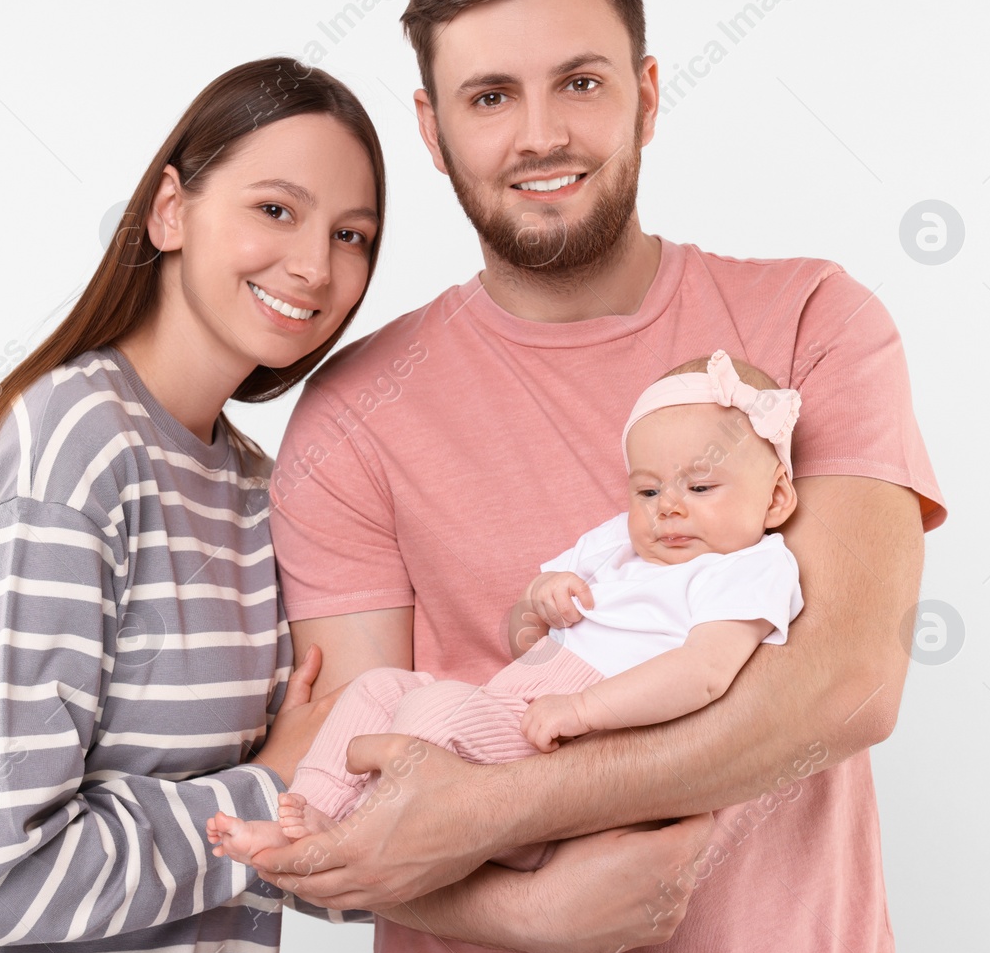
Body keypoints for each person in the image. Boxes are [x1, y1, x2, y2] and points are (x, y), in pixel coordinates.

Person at [247, 0, 947, 953]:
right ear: (432, 131)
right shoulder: (351, 412)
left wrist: (496, 804)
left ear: (648, 95)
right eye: (489, 97)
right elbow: (344, 789)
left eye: (578, 82)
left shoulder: (811, 320)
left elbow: (846, 684)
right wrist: (520, 911)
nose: (540, 135)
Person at [0, 56, 387, 953]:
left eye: (353, 235)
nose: (313, 264)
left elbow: (277, 855)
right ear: (170, 209)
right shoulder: (74, 449)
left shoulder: (257, 489)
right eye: (276, 209)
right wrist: (266, 787)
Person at [207, 350, 803, 871]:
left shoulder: (747, 567)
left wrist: (584, 709)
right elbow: (525, 633)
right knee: (377, 692)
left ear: (775, 496)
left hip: (568, 743)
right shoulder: (616, 543)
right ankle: (309, 810)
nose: (667, 509)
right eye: (647, 491)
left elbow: (703, 673)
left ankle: (358, 840)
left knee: (431, 715)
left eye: (700, 488)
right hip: (514, 700)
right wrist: (541, 598)